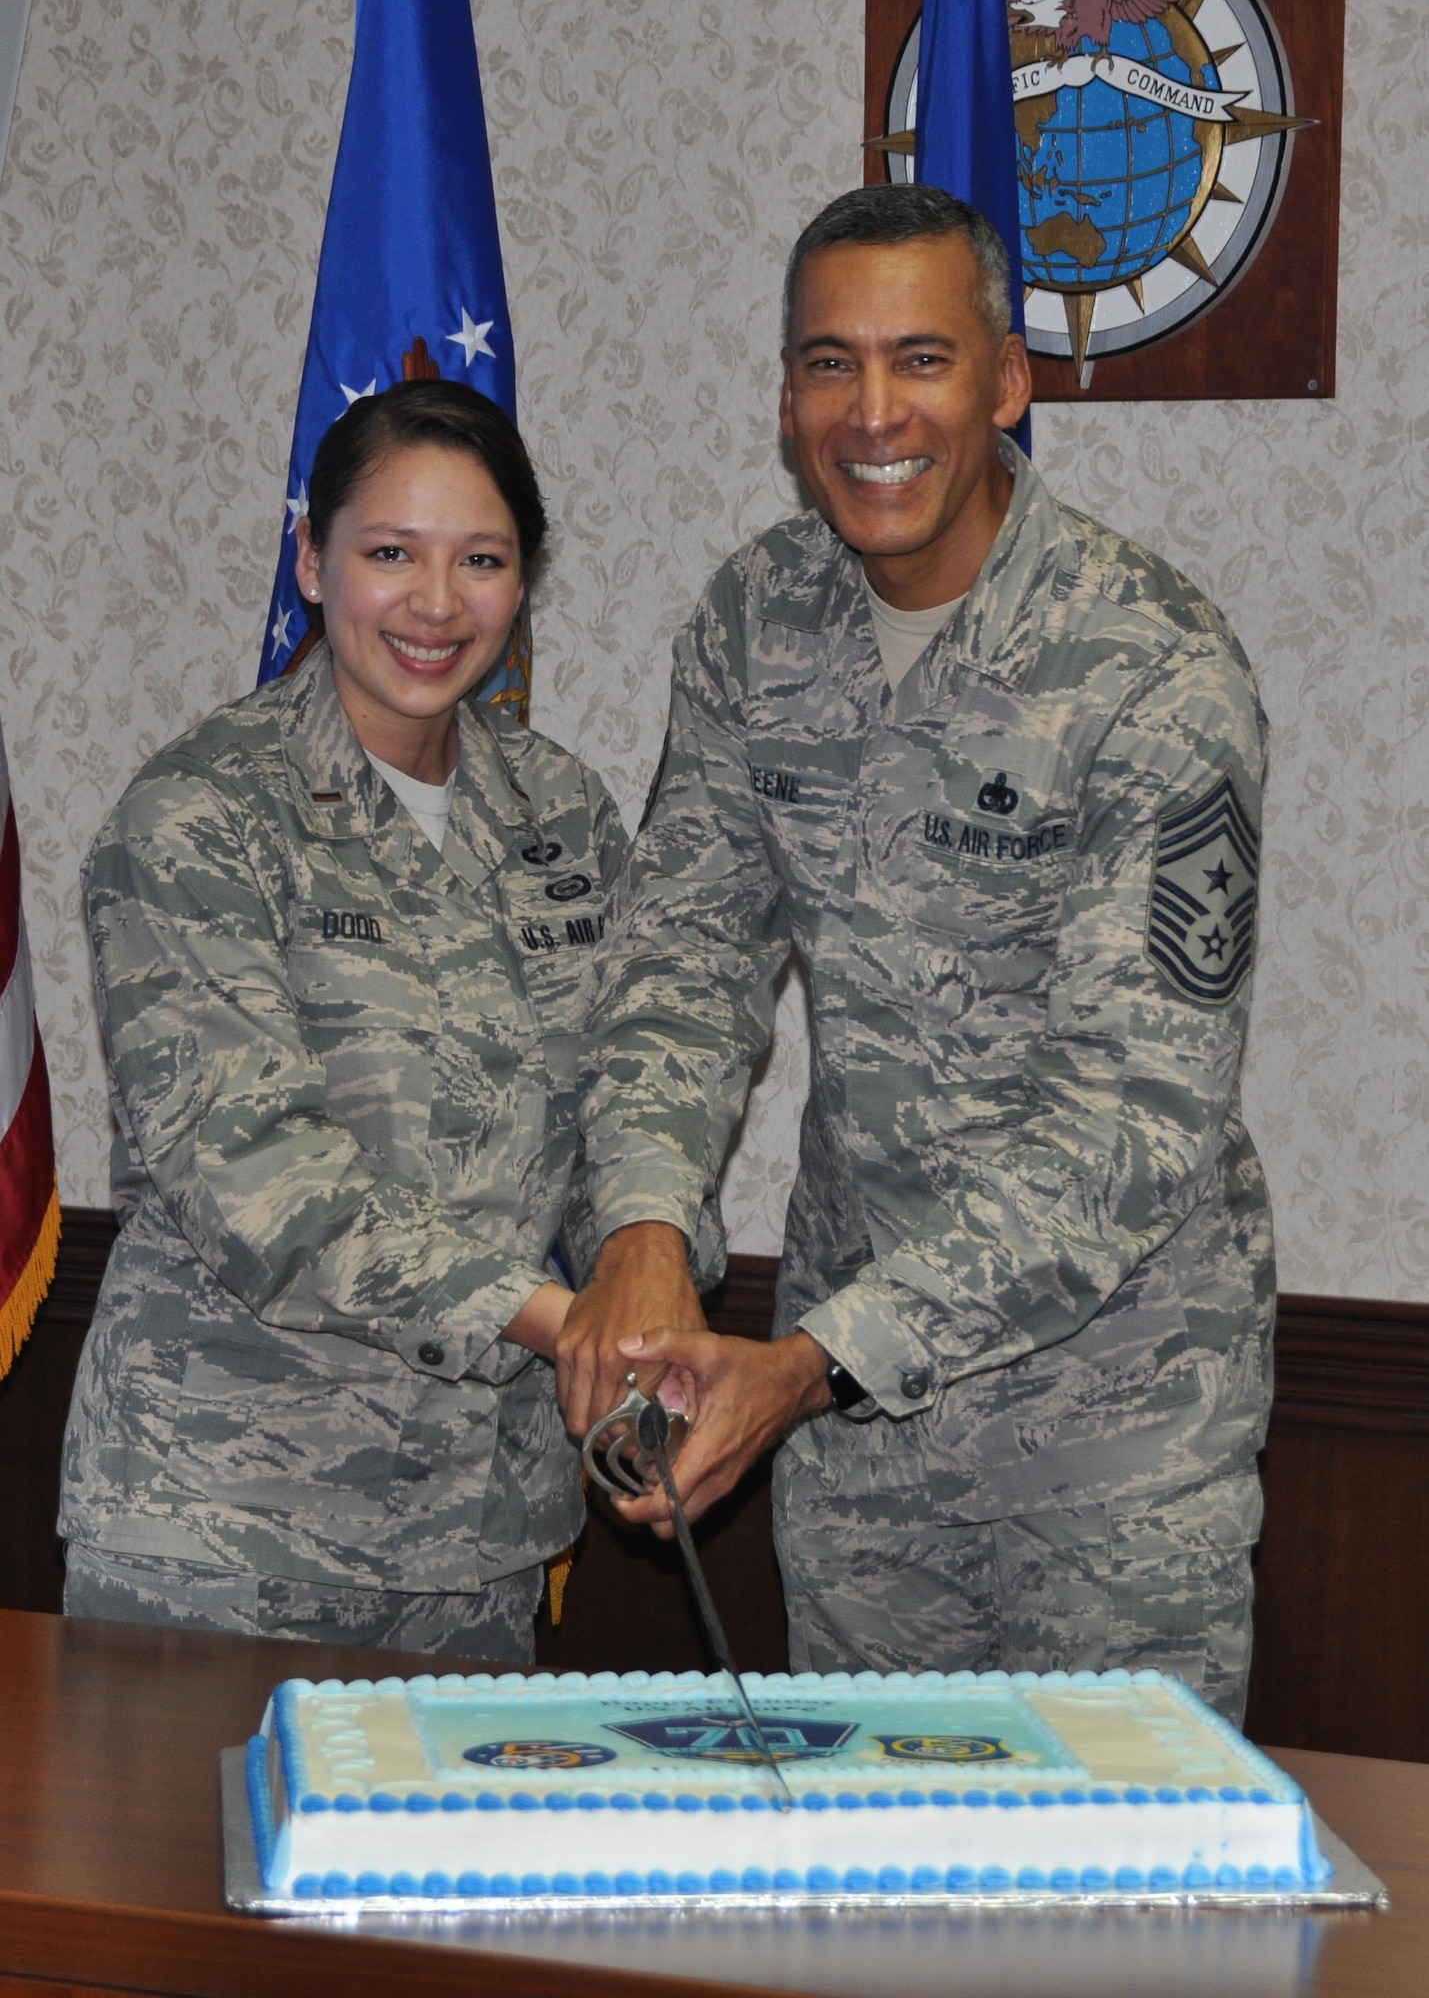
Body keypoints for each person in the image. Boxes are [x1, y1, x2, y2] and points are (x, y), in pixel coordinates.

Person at [559, 185, 1274, 1722]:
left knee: (1119, 1934)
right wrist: (641, 1226)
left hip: (1115, 1432)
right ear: (784, 398)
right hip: (868, 1456)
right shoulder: (753, 622)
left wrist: (815, 1359)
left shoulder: (1151, 665)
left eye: (920, 360)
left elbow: (1135, 1125)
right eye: (828, 364)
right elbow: (682, 954)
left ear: (1006, 382)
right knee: (884, 1901)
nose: (871, 413)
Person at [60, 380, 625, 1660]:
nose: (436, 603)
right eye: (389, 553)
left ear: (524, 579)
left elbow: (624, 1097)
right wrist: (562, 1323)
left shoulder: (564, 817)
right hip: (225, 1533)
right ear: (311, 563)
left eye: (480, 558)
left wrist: (644, 1266)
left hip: (482, 1540)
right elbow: (262, 1181)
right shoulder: (198, 817)